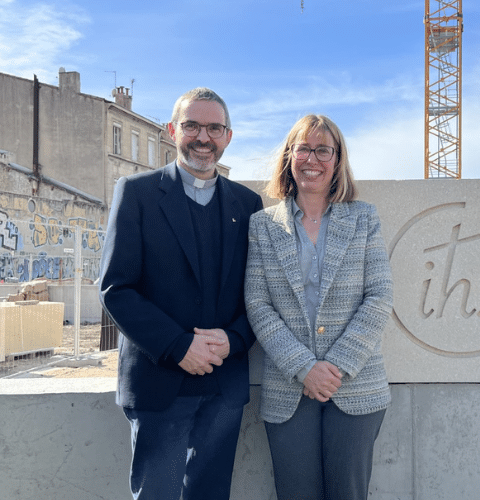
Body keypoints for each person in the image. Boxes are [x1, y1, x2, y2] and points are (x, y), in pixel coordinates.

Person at [98, 87, 263, 500]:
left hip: (223, 387)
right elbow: (116, 288)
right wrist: (178, 346)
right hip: (158, 384)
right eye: (192, 125)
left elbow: (261, 293)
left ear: (228, 136)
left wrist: (234, 339)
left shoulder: (248, 205)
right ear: (173, 131)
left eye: (213, 128)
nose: (202, 137)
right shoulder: (135, 193)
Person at [245, 114, 393, 500]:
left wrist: (335, 366)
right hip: (287, 388)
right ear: (289, 156)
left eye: (323, 150)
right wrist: (304, 368)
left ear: (337, 159)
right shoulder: (262, 225)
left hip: (356, 386)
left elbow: (379, 296)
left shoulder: (364, 219)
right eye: (303, 148)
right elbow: (258, 304)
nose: (313, 159)